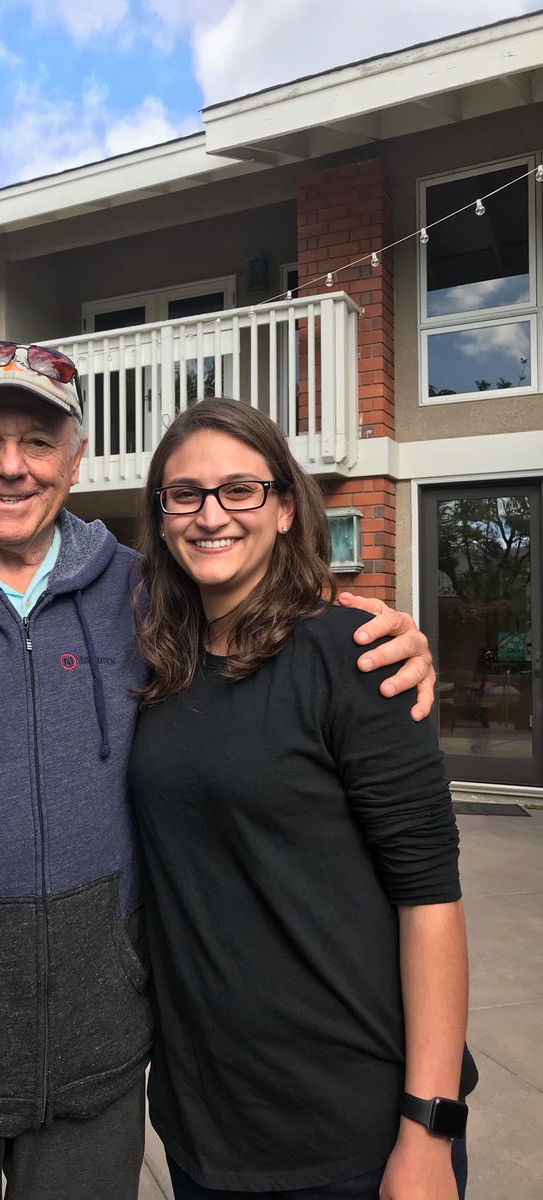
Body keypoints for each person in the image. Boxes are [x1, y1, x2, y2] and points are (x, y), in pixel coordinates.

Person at [0, 344, 436, 1200]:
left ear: (76, 458)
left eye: (38, 441)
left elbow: (264, 609)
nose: (10, 466)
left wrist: (377, 634)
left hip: (99, 1053)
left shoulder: (144, 592)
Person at [128, 398, 476, 1200]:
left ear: (285, 507)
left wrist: (430, 1129)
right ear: (162, 514)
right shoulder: (159, 669)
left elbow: (430, 900)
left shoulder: (358, 658)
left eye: (240, 490)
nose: (211, 514)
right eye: (185, 494)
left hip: (349, 1128)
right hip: (205, 1120)